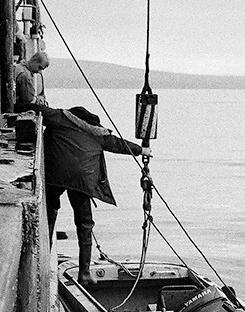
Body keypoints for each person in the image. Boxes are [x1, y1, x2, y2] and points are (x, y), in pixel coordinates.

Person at [18, 103, 151, 285]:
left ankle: (43, 253)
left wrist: (22, 105)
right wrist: (142, 150)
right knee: (84, 223)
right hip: (82, 180)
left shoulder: (61, 118)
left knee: (49, 212)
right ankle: (85, 272)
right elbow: (120, 145)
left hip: (55, 175)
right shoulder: (99, 134)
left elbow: (38, 109)